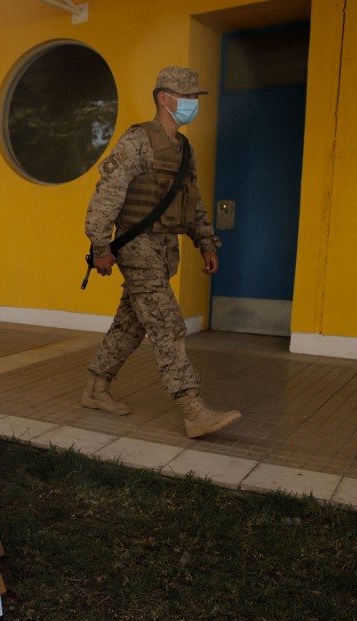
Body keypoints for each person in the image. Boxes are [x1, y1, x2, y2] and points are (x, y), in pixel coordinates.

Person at [81, 66, 241, 438]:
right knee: (168, 324)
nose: (192, 105)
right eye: (186, 98)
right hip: (137, 247)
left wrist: (206, 242)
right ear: (165, 99)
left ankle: (95, 388)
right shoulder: (137, 141)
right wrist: (101, 246)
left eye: (195, 99)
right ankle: (192, 407)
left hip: (166, 249)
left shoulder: (184, 149)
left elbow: (193, 201)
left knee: (131, 324)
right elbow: (107, 196)